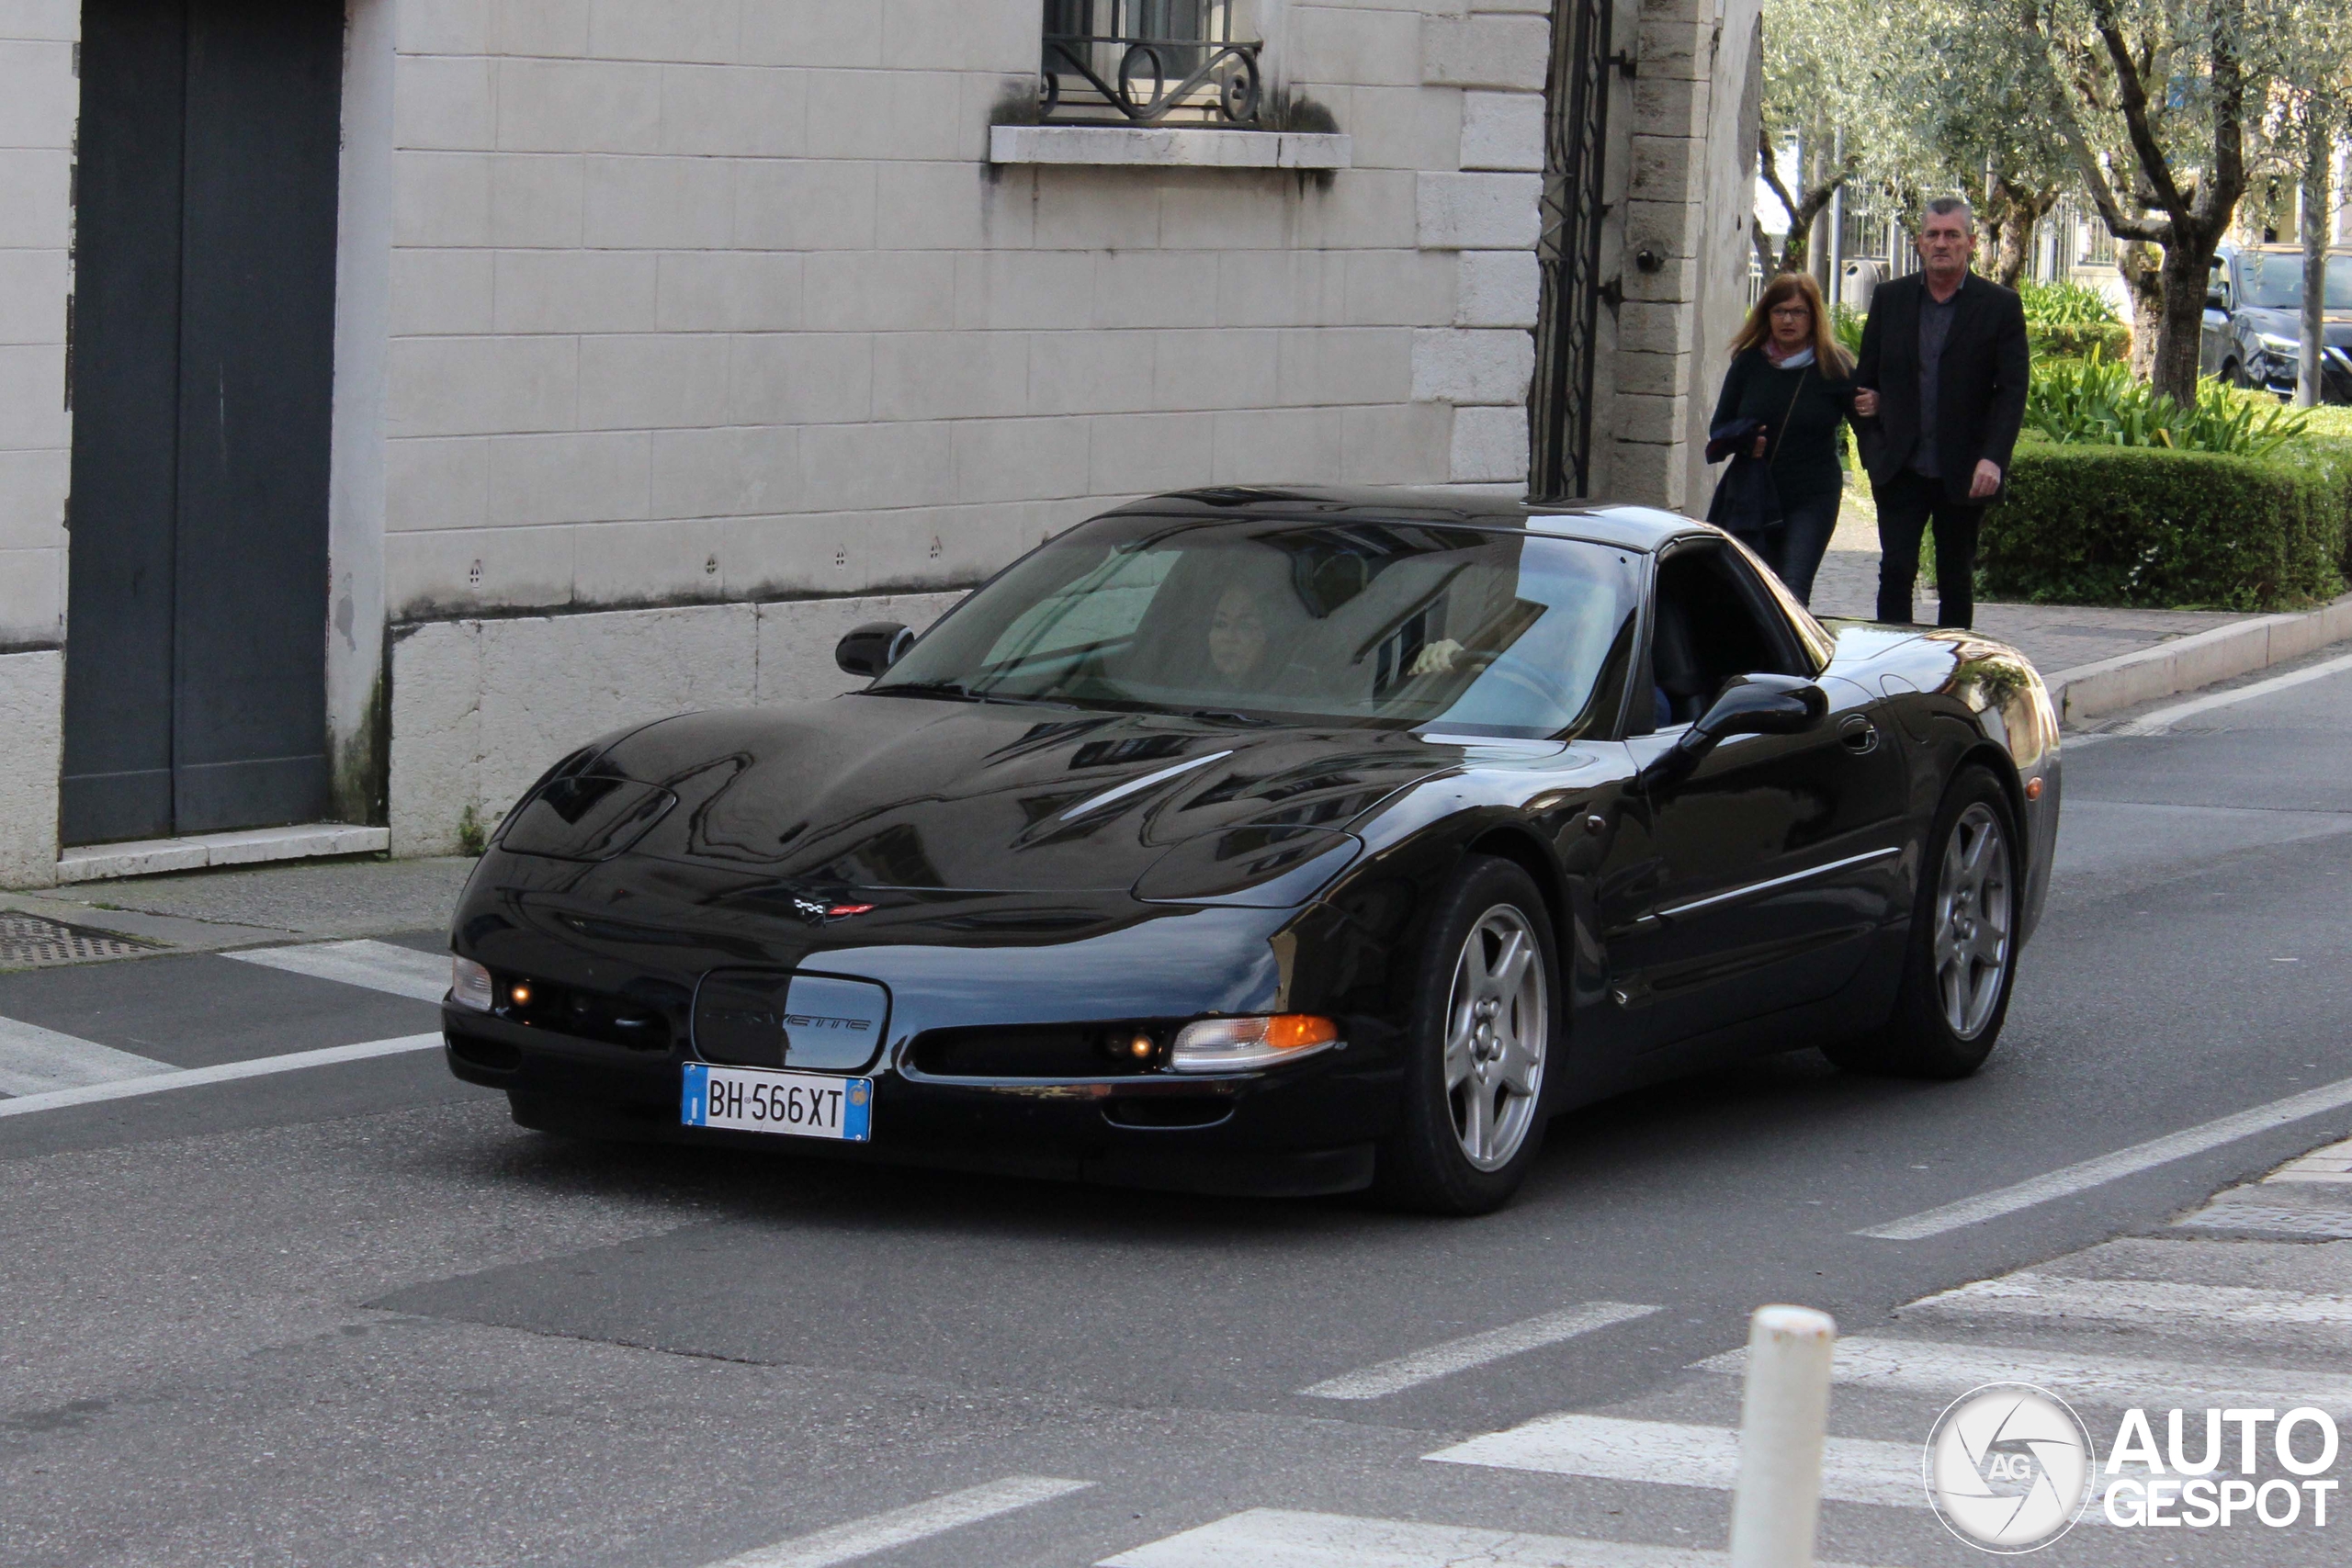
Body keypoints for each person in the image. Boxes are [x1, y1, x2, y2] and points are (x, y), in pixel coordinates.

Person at [1851, 197, 2030, 628]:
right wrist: (1876, 451)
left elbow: (2011, 391)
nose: (1942, 243)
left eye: (1952, 235)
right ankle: (1892, 670)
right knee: (1895, 572)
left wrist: (1993, 458)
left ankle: (1951, 673)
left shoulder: (1999, 306)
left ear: (1970, 242)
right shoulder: (1890, 299)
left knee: (1955, 578)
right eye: (1933, 234)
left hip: (1964, 470)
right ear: (1919, 242)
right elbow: (1863, 386)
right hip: (1900, 468)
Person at [1705, 272, 1857, 605]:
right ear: (1767, 315)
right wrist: (1745, 440)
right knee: (1754, 591)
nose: (1788, 320)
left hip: (1813, 497)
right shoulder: (1748, 363)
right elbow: (1719, 430)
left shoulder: (1835, 366)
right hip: (1757, 496)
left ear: (1813, 316)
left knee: (1792, 589)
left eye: (1798, 311)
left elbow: (1868, 424)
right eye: (1779, 311)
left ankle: (1792, 658)